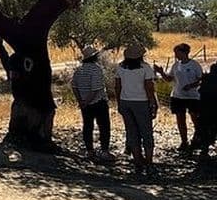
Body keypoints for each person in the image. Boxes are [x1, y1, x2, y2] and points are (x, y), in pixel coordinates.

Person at [116, 43, 158, 176]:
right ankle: (149, 163)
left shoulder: (121, 67)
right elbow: (149, 87)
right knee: (146, 132)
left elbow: (117, 86)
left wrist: (119, 102)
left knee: (131, 131)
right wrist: (153, 103)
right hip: (141, 102)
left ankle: (138, 161)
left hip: (125, 101)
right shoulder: (145, 68)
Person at [153, 43, 203, 154]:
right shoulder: (175, 66)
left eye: (177, 52)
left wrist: (191, 86)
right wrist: (161, 72)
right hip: (177, 96)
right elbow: (169, 79)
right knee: (180, 119)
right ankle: (184, 141)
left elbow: (201, 79)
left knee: (195, 118)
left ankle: (198, 138)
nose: (175, 55)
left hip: (193, 96)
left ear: (185, 52)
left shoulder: (195, 65)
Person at [71, 45, 114, 161]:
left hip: (85, 104)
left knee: (87, 126)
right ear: (95, 57)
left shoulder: (79, 69)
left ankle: (90, 150)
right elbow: (96, 89)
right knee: (104, 126)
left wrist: (81, 101)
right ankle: (104, 151)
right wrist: (87, 101)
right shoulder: (96, 69)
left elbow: (74, 86)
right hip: (98, 102)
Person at [192, 63, 217, 158]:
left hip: (206, 108)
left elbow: (200, 91)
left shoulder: (206, 79)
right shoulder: (207, 79)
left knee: (204, 128)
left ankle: (204, 146)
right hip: (210, 108)